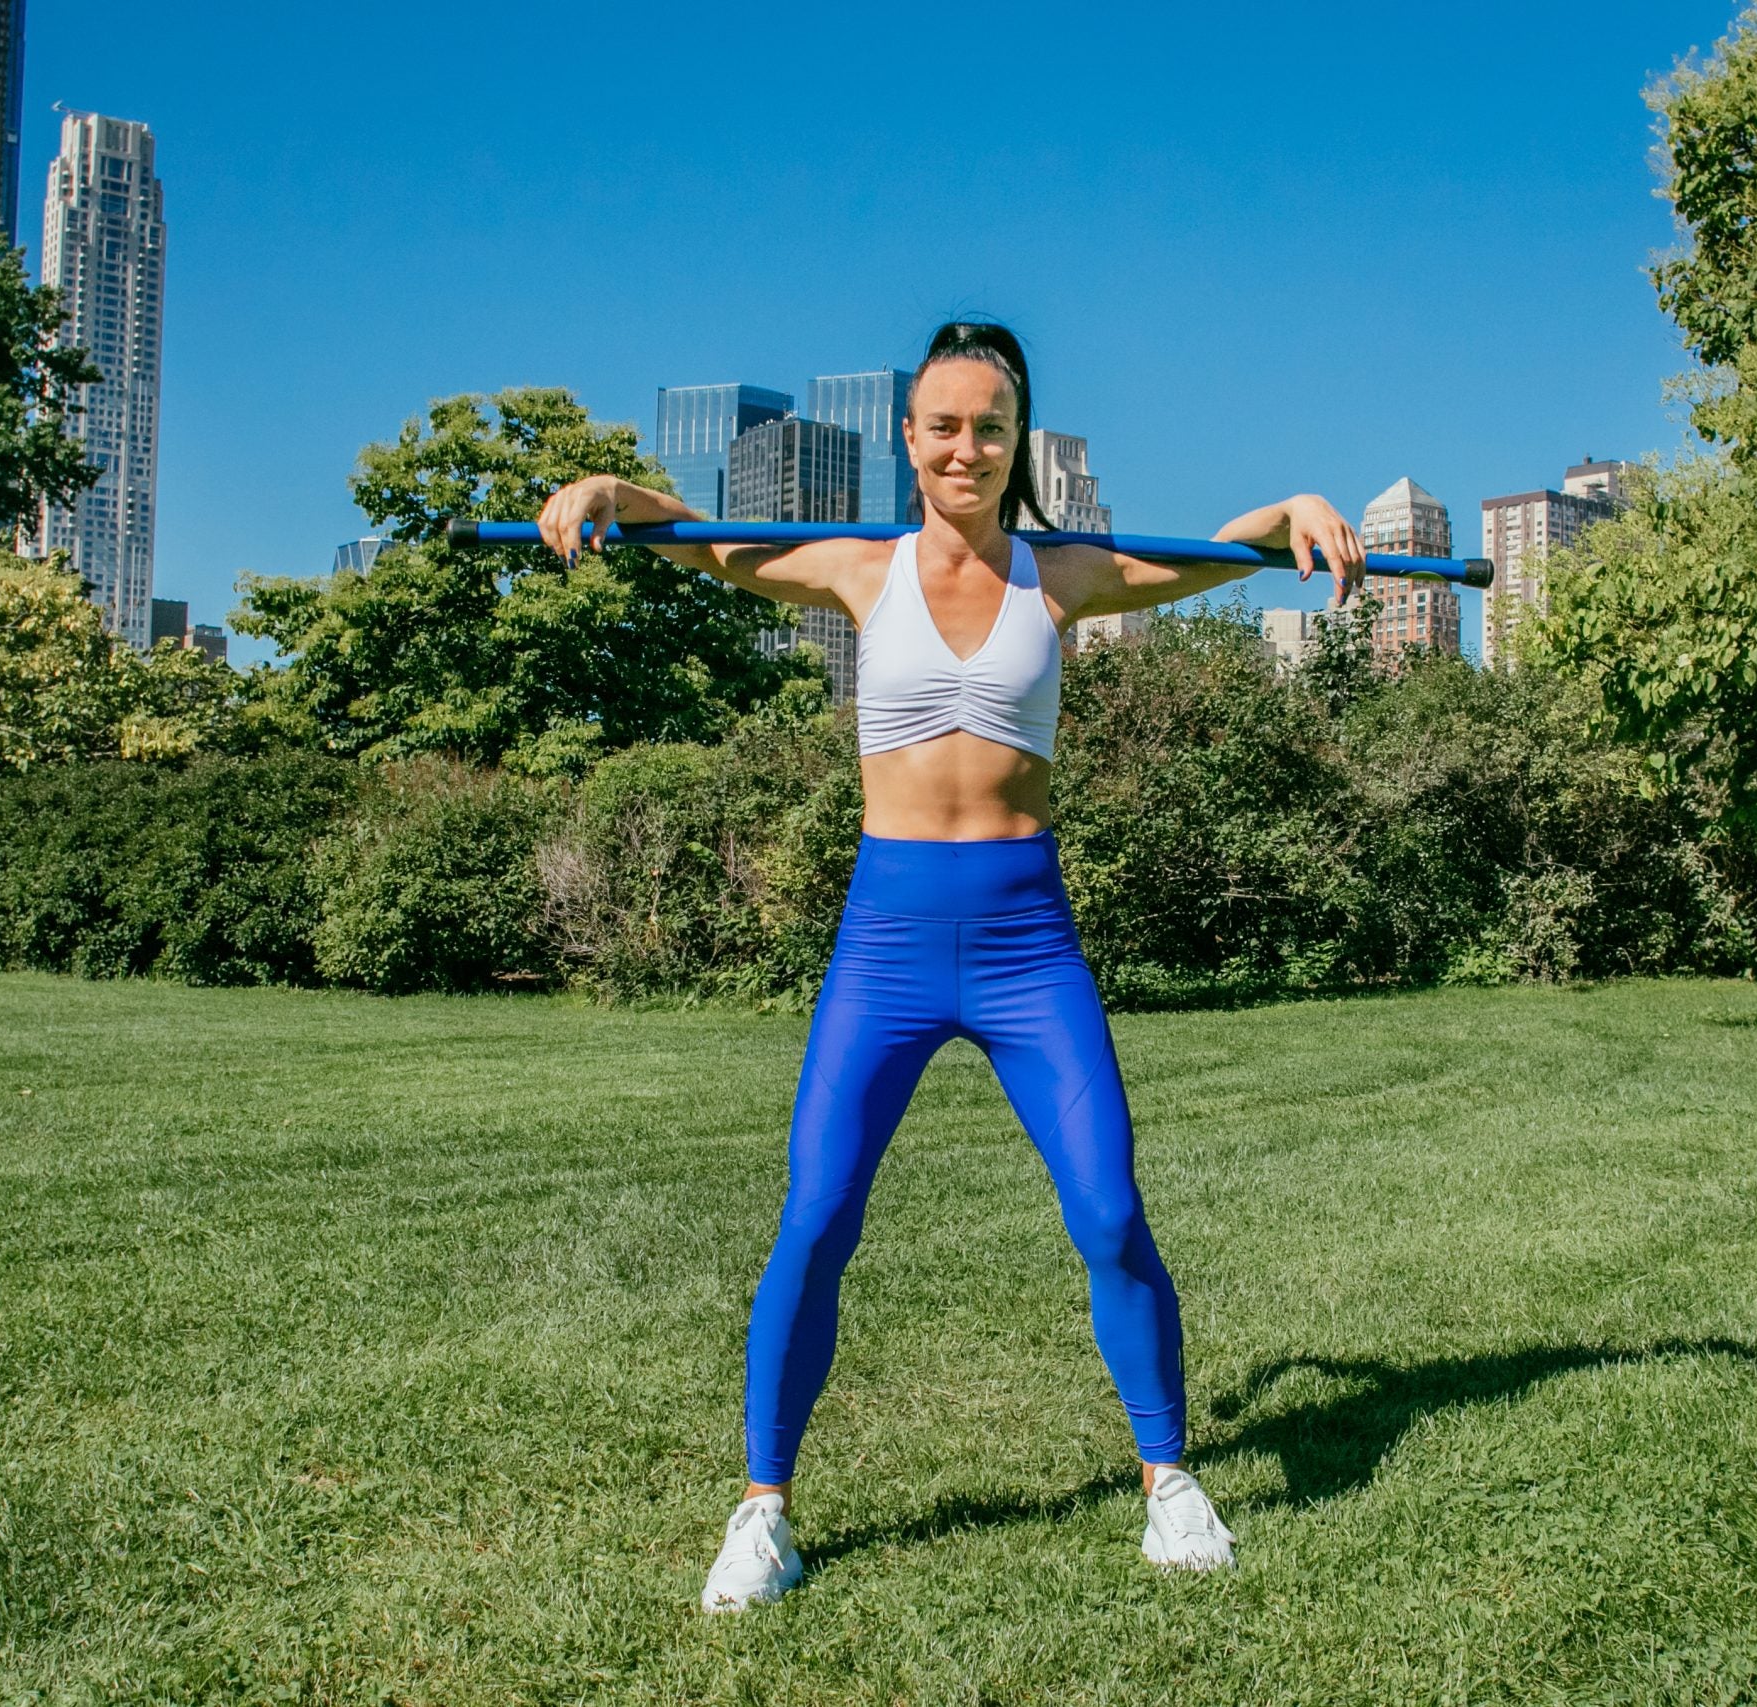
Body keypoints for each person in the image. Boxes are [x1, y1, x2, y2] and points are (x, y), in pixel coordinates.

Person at [538, 321, 1366, 1611]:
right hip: (888, 940)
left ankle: (1167, 1479)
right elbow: (700, 540)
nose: (966, 446)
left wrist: (1304, 506)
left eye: (990, 425)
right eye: (943, 425)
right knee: (815, 1219)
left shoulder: (1064, 575)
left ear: (1016, 438)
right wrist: (604, 494)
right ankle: (765, 1510)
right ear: (909, 440)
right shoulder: (861, 572)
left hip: (1030, 939)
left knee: (1107, 1210)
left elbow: (1231, 546)